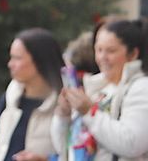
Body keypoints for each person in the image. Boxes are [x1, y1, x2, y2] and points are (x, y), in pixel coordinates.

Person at [52, 17, 148, 161]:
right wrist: (63, 114)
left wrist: (89, 112)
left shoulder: (141, 87)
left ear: (133, 54)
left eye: (111, 51)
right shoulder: (95, 88)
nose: (102, 57)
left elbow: (132, 144)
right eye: (99, 49)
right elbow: (64, 148)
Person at [0, 27, 62, 161]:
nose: (10, 64)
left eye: (17, 58)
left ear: (39, 61)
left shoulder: (62, 105)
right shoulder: (10, 97)